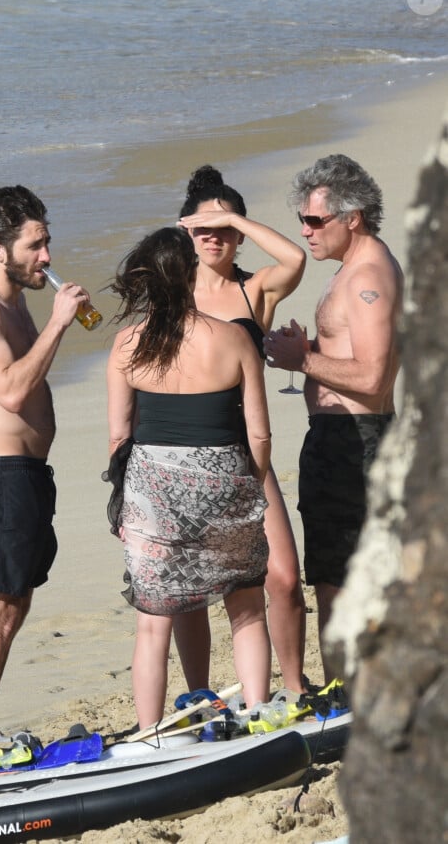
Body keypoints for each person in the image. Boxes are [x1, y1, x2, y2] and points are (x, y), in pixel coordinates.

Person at [105, 226, 272, 728]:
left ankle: (150, 731)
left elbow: (118, 439)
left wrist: (126, 504)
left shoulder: (127, 344)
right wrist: (251, 488)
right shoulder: (234, 337)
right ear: (189, 274)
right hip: (225, 481)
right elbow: (259, 435)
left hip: (154, 489)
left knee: (152, 624)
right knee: (245, 607)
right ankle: (260, 715)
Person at [0, 184, 93, 738]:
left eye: (47, 242)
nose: (47, 257)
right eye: (34, 246)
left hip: (27, 477)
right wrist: (57, 323)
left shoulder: (17, 299)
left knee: (12, 612)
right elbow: (9, 392)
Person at [264, 154, 403, 683]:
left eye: (315, 221)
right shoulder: (355, 270)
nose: (305, 231)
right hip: (341, 438)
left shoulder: (368, 276)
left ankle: (353, 695)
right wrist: (310, 348)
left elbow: (372, 377)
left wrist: (303, 360)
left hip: (356, 440)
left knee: (343, 578)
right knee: (333, 572)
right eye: (302, 219)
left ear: (354, 216)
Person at [176, 165, 308, 695]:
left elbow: (294, 258)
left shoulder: (256, 291)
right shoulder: (172, 293)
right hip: (184, 454)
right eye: (202, 228)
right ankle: (199, 695)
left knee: (283, 578)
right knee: (191, 590)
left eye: (225, 227)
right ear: (185, 231)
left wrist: (231, 216)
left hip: (249, 453)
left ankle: (296, 688)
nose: (215, 237)